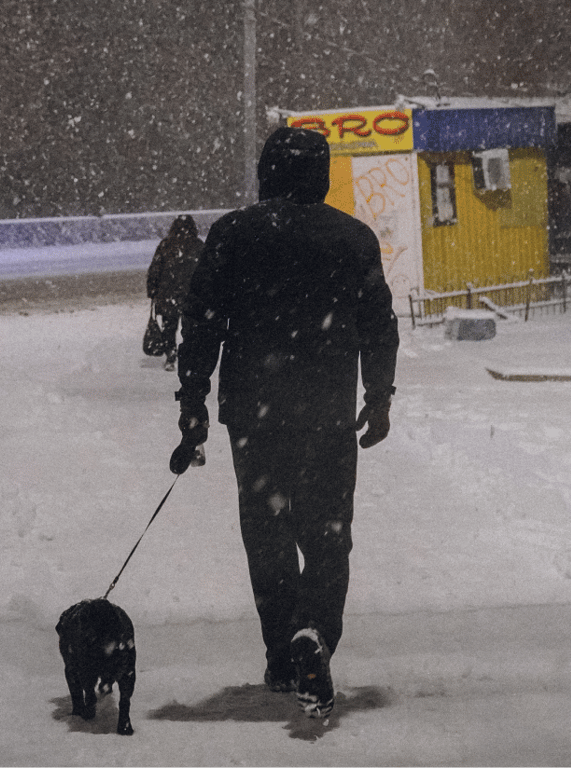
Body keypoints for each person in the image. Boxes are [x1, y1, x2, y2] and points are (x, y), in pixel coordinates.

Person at [168, 126, 399, 719]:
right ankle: (315, 633)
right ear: (320, 176)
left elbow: (202, 322)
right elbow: (379, 326)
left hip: (254, 414)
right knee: (327, 534)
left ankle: (281, 650)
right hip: (325, 415)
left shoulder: (233, 235)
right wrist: (378, 398)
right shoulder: (352, 239)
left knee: (267, 533)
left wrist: (192, 402)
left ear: (267, 172)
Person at [146, 214, 204, 371]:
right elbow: (205, 271)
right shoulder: (198, 245)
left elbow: (155, 268)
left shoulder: (166, 245)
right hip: (190, 295)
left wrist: (152, 289)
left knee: (169, 327)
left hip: (168, 294)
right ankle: (189, 356)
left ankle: (171, 355)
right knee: (190, 327)